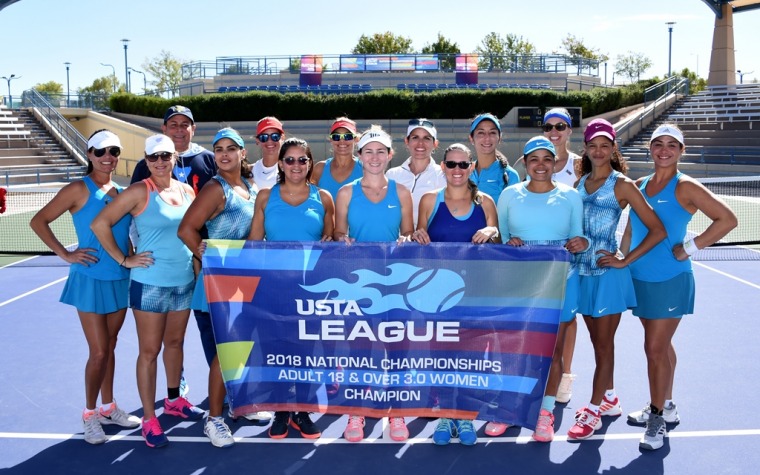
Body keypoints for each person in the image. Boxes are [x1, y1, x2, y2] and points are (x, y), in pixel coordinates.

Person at [621, 124, 737, 450]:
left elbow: (727, 219)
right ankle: (667, 407)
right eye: (658, 143)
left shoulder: (685, 187)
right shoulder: (641, 185)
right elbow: (631, 229)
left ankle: (656, 417)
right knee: (662, 346)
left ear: (681, 151)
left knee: (654, 350)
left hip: (671, 280)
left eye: (672, 145)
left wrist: (691, 246)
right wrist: (624, 260)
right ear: (650, 148)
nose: (664, 150)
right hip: (640, 278)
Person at [92, 134, 204, 448]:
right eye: (153, 157)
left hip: (183, 280)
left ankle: (173, 400)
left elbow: (191, 232)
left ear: (173, 158)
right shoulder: (139, 191)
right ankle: (150, 420)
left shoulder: (186, 190)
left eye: (165, 156)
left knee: (176, 344)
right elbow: (101, 223)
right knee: (149, 351)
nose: (159, 162)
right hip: (150, 283)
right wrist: (124, 259)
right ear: (146, 160)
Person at [30, 130, 141, 445]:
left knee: (112, 344)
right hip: (90, 279)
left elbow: (126, 235)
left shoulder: (122, 192)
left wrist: (132, 258)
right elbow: (39, 221)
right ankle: (90, 414)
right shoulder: (78, 189)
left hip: (120, 277)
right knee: (99, 350)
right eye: (101, 151)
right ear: (89, 154)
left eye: (114, 151)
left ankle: (109, 407)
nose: (108, 157)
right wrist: (65, 254)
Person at [566, 119, 666, 441]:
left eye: (605, 145)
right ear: (586, 148)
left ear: (613, 148)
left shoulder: (622, 185)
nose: (598, 151)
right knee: (597, 344)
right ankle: (609, 399)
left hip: (608, 275)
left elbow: (657, 229)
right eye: (593, 145)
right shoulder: (579, 183)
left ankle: (593, 409)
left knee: (604, 345)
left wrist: (626, 260)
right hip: (581, 273)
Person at [496, 136, 588, 442]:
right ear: (524, 163)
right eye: (533, 159)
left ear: (554, 163)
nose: (540, 165)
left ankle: (545, 412)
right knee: (518, 348)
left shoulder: (570, 196)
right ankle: (511, 409)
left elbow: (578, 237)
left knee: (555, 351)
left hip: (563, 280)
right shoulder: (509, 195)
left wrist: (581, 243)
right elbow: (504, 239)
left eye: (546, 159)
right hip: (522, 282)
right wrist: (510, 243)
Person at [413, 142, 500, 446]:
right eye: (452, 165)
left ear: (472, 167)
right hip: (439, 296)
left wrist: (493, 231)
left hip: (477, 294)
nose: (458, 170)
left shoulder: (486, 202)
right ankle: (446, 415)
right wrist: (416, 235)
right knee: (442, 357)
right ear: (443, 167)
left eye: (464, 165)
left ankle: (465, 415)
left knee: (470, 359)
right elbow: (418, 239)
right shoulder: (428, 200)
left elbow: (498, 243)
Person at [248, 137, 335, 440]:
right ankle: (281, 410)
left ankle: (303, 410)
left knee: (307, 351)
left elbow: (331, 240)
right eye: (290, 159)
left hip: (312, 290)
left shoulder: (323, 197)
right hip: (273, 288)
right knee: (277, 351)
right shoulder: (264, 196)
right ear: (281, 164)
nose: (296, 165)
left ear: (310, 163)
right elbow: (254, 244)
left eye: (302, 160)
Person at [177, 127, 259, 448]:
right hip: (217, 281)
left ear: (242, 153)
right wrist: (205, 253)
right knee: (225, 353)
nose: (224, 153)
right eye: (218, 149)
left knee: (239, 350)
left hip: (242, 281)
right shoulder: (215, 188)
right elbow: (186, 229)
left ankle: (238, 405)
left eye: (230, 148)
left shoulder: (248, 188)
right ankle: (214, 420)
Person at [130, 105, 217, 398]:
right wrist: (129, 255)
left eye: (185, 124)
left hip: (200, 264)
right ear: (164, 128)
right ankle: (174, 387)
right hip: (157, 271)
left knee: (203, 328)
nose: (179, 129)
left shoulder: (206, 160)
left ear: (193, 128)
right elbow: (132, 214)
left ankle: (221, 389)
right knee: (158, 343)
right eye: (173, 124)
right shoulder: (146, 168)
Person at [333, 125, 414, 442]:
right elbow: (339, 232)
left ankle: (397, 412)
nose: (375, 157)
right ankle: (358, 411)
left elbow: (408, 232)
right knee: (359, 349)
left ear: (390, 155)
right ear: (360, 156)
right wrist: (344, 239)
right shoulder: (346, 192)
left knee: (397, 349)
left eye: (381, 151)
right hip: (358, 283)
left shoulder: (402, 192)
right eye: (369, 151)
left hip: (396, 284)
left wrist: (407, 238)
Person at [516, 108, 583, 404]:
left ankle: (564, 375)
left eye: (560, 126)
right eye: (549, 126)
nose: (554, 130)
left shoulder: (581, 166)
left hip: (568, 262)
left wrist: (581, 240)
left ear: (569, 130)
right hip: (533, 269)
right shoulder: (525, 174)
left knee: (567, 322)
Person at [385, 118, 446, 227]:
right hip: (397, 242)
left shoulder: (443, 175)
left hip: (430, 242)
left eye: (426, 138)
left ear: (435, 144)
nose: (420, 143)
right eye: (415, 137)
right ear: (407, 141)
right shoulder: (391, 175)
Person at [468, 113, 520, 206]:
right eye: (481, 133)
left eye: (492, 132)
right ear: (471, 138)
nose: (487, 138)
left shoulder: (510, 175)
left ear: (499, 137)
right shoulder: (463, 172)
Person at [310, 117, 363, 198]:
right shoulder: (319, 169)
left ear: (355, 139)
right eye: (336, 136)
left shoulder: (365, 169)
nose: (342, 141)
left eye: (347, 136)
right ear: (331, 139)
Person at [251, 116, 286, 191]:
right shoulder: (249, 170)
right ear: (257, 140)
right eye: (264, 137)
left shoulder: (292, 168)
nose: (270, 141)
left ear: (282, 137)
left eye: (275, 136)